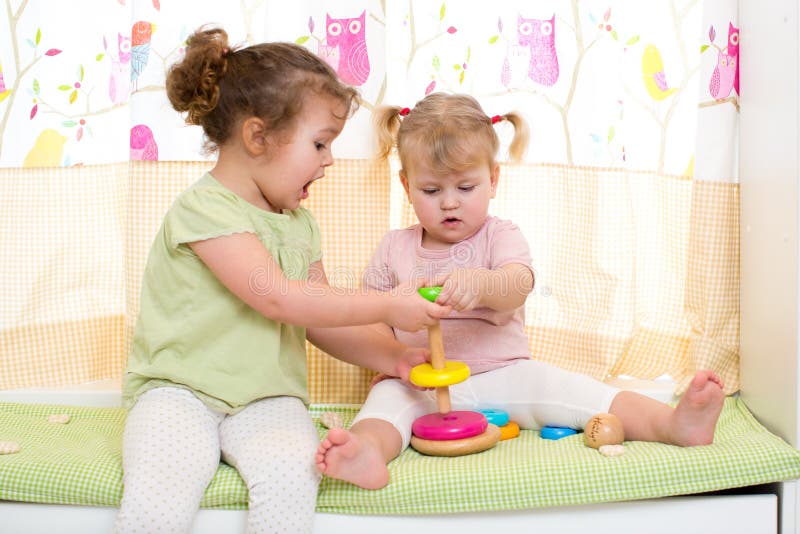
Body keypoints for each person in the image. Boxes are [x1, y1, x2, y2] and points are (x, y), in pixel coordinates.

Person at [114, 28, 451, 534]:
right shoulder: (204, 210)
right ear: (257, 137)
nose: (330, 160)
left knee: (294, 476)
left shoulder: (299, 225)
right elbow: (278, 297)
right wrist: (387, 306)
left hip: (268, 399)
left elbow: (319, 316)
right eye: (319, 143)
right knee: (162, 486)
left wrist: (393, 356)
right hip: (179, 392)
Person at [315, 93, 725, 490]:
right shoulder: (393, 247)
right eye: (432, 191)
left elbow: (518, 284)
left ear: (493, 179)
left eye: (465, 187)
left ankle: (673, 424)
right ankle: (366, 452)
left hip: (504, 373)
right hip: (417, 384)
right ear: (406, 187)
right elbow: (372, 322)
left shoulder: (500, 236)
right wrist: (395, 358)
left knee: (575, 391)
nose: (450, 204)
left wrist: (483, 283)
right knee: (384, 408)